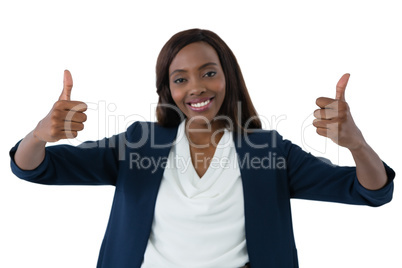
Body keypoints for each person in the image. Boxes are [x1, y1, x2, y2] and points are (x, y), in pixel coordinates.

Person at [10, 29, 395, 268]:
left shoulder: (269, 151)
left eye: (209, 72)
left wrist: (356, 144)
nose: (196, 87)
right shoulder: (139, 144)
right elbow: (34, 168)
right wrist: (40, 133)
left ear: (228, 76)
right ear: (168, 90)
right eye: (181, 79)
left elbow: (371, 191)